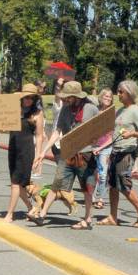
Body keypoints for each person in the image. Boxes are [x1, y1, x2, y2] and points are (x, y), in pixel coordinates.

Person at [33, 81, 100, 230]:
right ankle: (42, 215)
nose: (66, 100)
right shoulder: (65, 109)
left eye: (68, 97)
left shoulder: (91, 109)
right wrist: (44, 151)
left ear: (76, 96)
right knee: (57, 183)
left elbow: (101, 129)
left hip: (86, 154)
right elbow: (58, 131)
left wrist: (98, 146)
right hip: (68, 152)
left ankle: (88, 219)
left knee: (87, 187)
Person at [96, 80, 138, 228]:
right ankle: (112, 216)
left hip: (126, 152)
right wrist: (101, 147)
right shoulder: (120, 110)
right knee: (113, 185)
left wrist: (132, 133)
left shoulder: (135, 110)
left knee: (124, 184)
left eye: (121, 92)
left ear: (130, 93)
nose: (118, 94)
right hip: (115, 151)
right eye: (118, 91)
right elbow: (113, 134)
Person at [2, 84, 45, 223]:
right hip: (13, 147)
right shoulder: (15, 109)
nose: (28, 100)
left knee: (15, 183)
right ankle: (32, 207)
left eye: (31, 98)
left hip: (26, 150)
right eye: (26, 97)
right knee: (18, 184)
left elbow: (39, 136)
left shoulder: (37, 113)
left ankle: (9, 214)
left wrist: (38, 155)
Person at [91, 88, 114, 209]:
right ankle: (95, 196)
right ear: (100, 97)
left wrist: (101, 147)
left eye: (110, 97)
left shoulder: (112, 114)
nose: (108, 98)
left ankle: (98, 198)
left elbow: (112, 136)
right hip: (92, 146)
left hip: (106, 147)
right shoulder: (95, 111)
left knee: (103, 175)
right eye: (105, 96)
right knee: (95, 175)